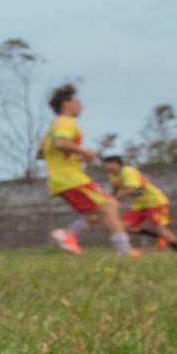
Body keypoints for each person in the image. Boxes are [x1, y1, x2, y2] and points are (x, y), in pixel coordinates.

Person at [38, 86, 132, 256]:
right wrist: (84, 152)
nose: (81, 106)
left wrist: (75, 156)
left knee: (105, 210)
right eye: (78, 102)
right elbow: (59, 143)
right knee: (109, 206)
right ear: (66, 103)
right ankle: (125, 252)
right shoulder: (66, 122)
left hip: (63, 179)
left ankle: (70, 234)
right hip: (70, 179)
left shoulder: (52, 127)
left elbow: (41, 153)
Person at [105, 155, 177, 251]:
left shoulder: (127, 171)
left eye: (107, 165)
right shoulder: (112, 175)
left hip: (155, 202)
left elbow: (132, 189)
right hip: (139, 205)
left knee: (161, 229)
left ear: (116, 164)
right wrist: (110, 199)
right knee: (121, 226)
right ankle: (155, 236)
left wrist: (114, 198)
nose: (105, 167)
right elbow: (115, 188)